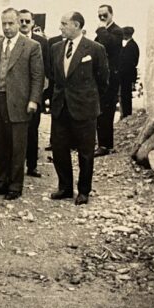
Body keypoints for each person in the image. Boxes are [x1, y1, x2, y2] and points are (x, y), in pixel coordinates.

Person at [0, 8, 44, 200]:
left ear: (18, 23)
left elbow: (37, 76)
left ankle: (15, 186)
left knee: (17, 146)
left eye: (11, 23)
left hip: (19, 103)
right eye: (4, 23)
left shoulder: (31, 46)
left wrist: (33, 100)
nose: (7, 28)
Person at [49, 11, 109, 205]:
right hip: (61, 107)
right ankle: (65, 188)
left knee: (85, 152)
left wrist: (88, 98)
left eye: (64, 23)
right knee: (59, 149)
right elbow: (54, 76)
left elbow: (102, 80)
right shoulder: (56, 47)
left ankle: (83, 191)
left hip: (84, 108)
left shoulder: (94, 48)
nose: (60, 27)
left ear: (76, 25)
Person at [18, 9, 50, 178]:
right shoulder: (12, 40)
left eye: (27, 21)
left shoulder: (42, 42)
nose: (23, 24)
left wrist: (40, 93)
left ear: (33, 23)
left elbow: (46, 69)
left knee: (32, 129)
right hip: (16, 92)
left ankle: (31, 165)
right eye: (21, 21)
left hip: (34, 92)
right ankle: (15, 165)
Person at [94, 4, 123, 156]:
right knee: (100, 111)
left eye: (105, 15)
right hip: (101, 77)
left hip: (111, 78)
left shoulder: (117, 31)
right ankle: (104, 143)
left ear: (111, 14)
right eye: (100, 16)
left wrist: (100, 29)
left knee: (107, 111)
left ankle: (105, 146)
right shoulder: (104, 31)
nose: (102, 18)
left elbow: (107, 44)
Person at [119, 26, 140, 118]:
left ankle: (126, 115)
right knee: (125, 95)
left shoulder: (131, 46)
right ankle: (126, 115)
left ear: (126, 35)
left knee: (125, 96)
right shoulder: (132, 45)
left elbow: (128, 63)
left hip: (126, 75)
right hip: (128, 75)